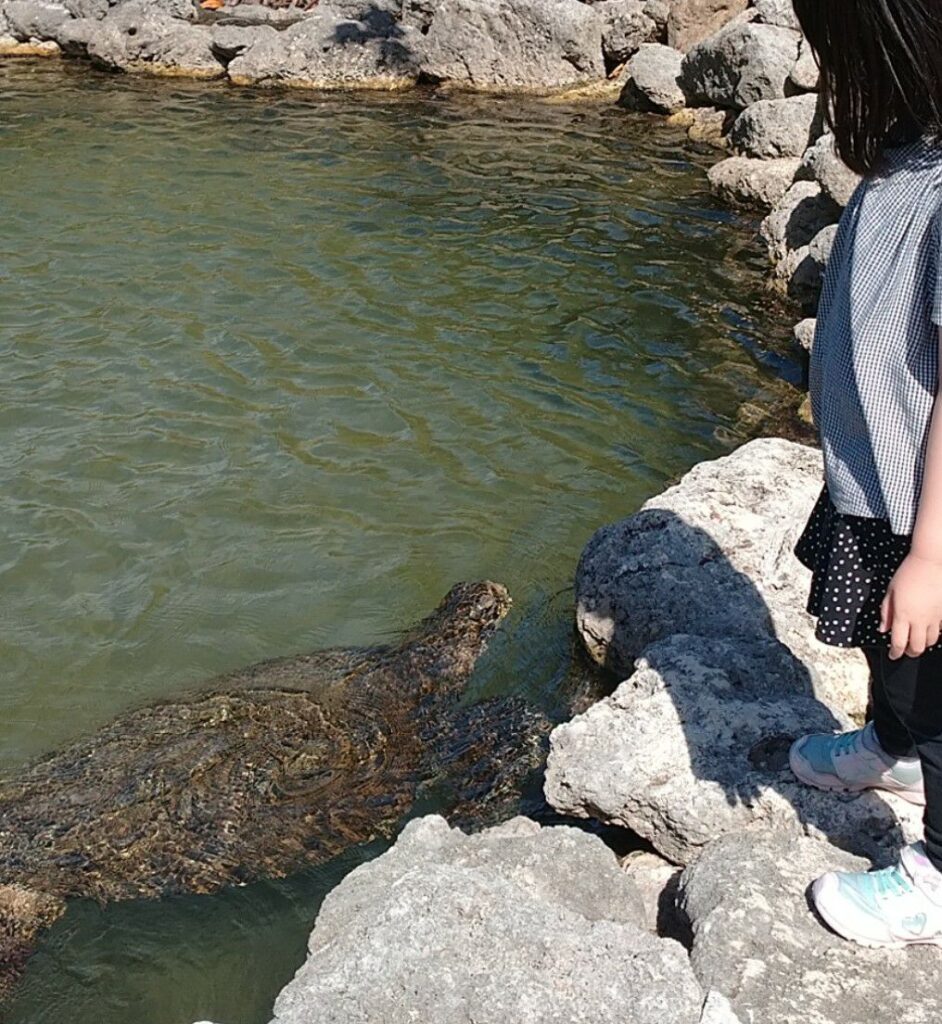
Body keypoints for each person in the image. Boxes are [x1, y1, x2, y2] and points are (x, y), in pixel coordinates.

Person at [786, 0, 942, 948]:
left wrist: (931, 550)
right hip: (873, 472)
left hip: (925, 502)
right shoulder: (916, 142)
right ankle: (888, 750)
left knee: (940, 689)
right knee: (888, 653)